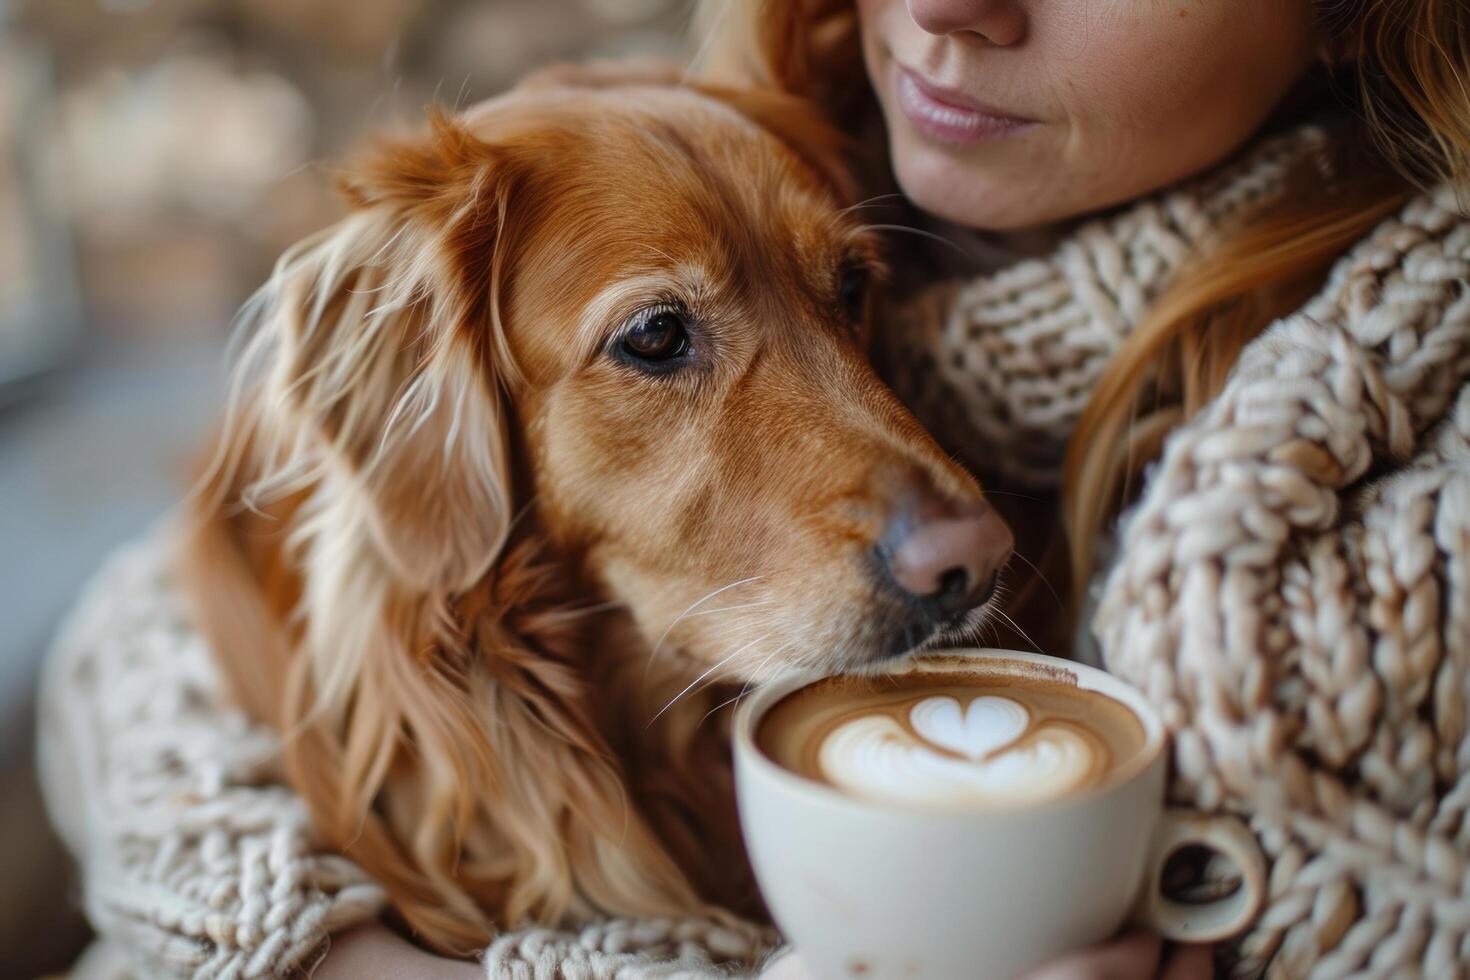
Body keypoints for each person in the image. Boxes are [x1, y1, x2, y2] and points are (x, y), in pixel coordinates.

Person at [39, 0, 1469, 977]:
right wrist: (284, 936)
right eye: (658, 341)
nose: (946, 5)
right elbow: (157, 614)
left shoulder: (1385, 517)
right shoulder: (790, 120)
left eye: (848, 292)